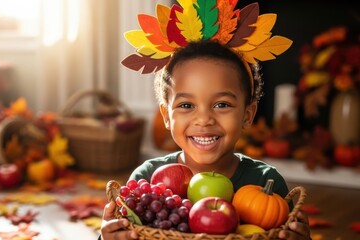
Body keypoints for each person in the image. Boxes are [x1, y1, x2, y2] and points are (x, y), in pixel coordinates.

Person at [100, 1, 311, 240]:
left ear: (247, 115)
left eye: (221, 105)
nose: (204, 119)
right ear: (167, 116)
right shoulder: (147, 179)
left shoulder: (267, 182)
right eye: (186, 105)